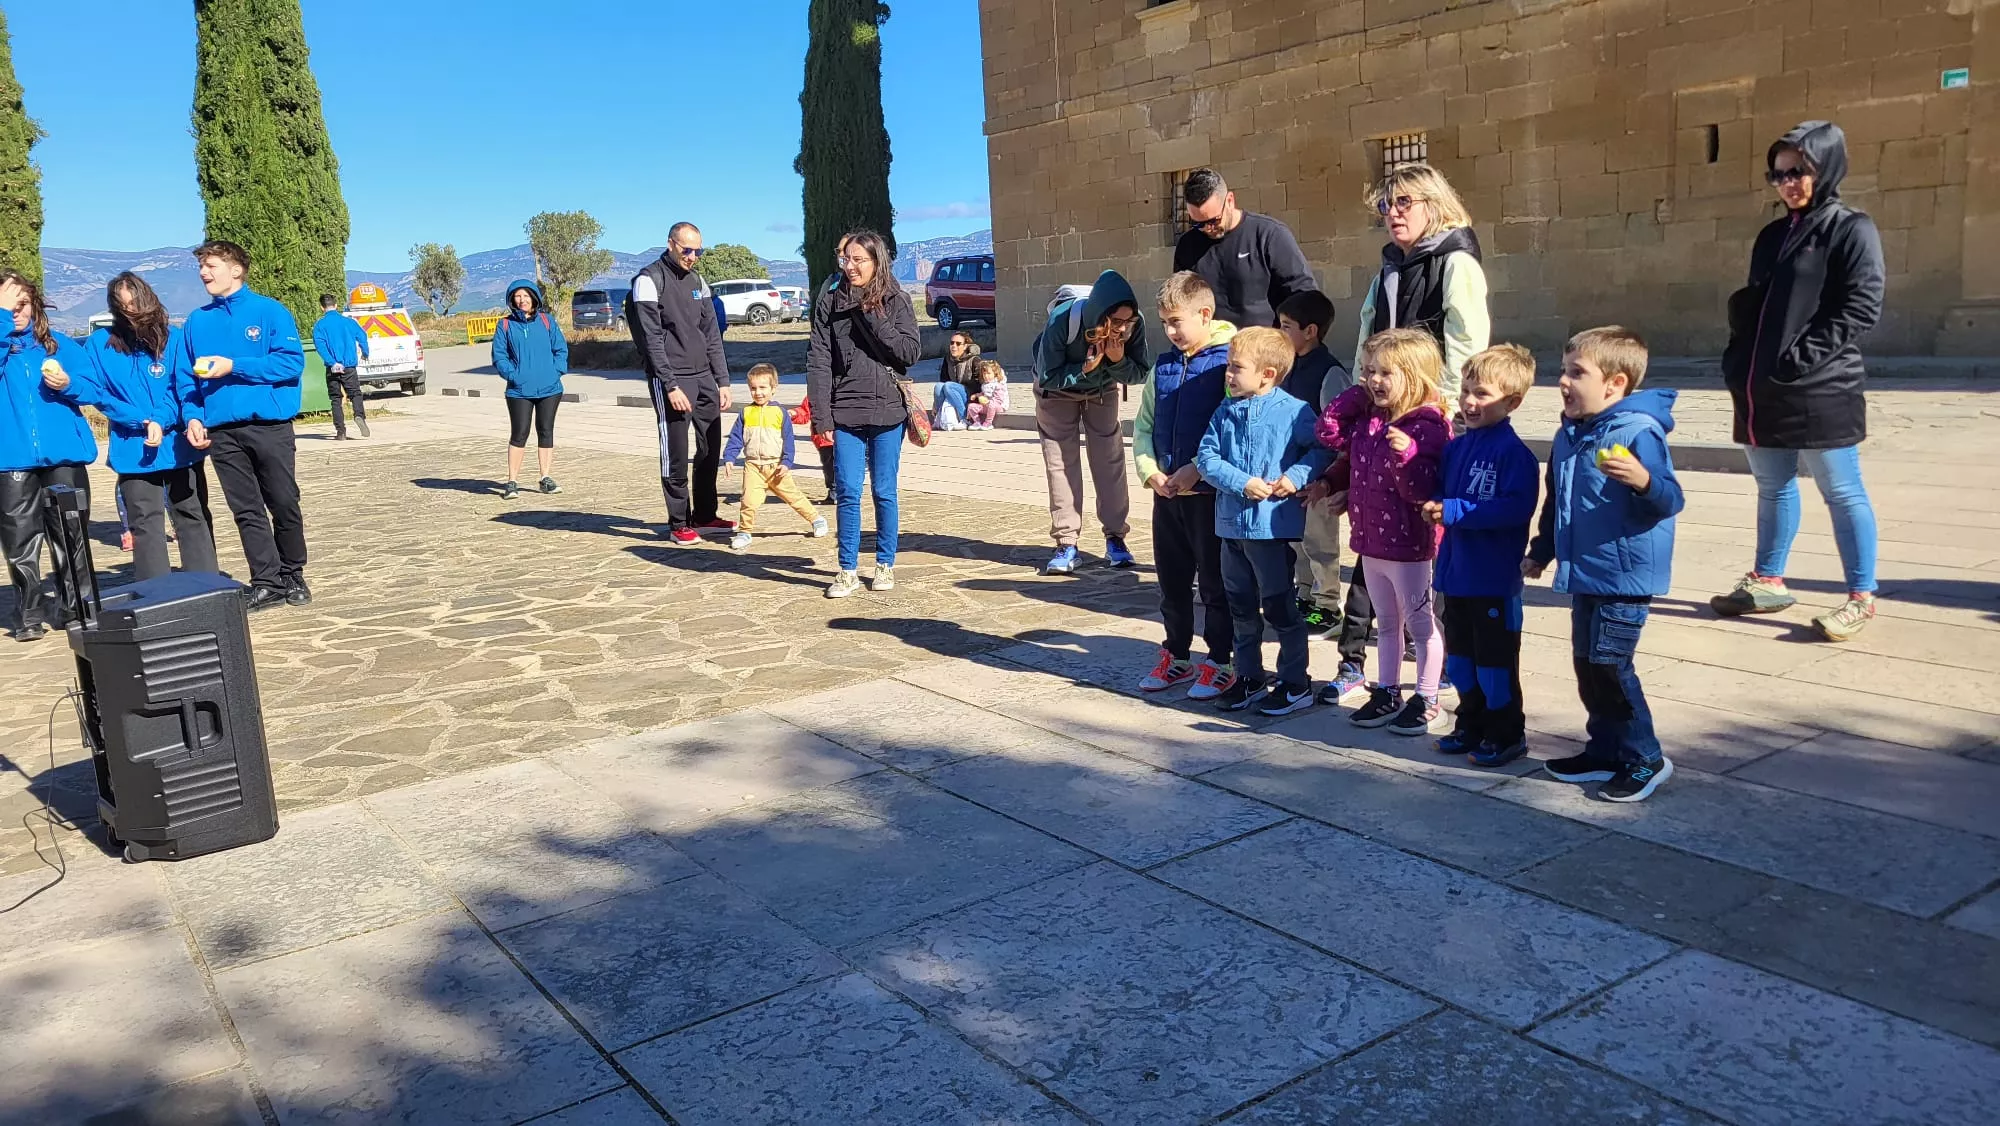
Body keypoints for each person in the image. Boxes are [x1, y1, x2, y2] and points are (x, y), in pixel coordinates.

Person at [1716, 120, 1885, 642]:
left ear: (1825, 167)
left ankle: (1861, 596)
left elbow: (1861, 307)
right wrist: (1739, 359)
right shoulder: (1772, 235)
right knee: (1773, 485)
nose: (1787, 183)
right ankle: (1768, 580)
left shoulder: (1851, 229)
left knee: (1842, 490)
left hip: (1821, 385)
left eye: (1798, 171)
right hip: (1760, 385)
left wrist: (1799, 359)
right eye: (1778, 174)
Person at [1524, 327, 1683, 804]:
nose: (1563, 381)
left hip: (1623, 578)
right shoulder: (1569, 436)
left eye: (1577, 373)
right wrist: (1542, 550)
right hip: (1586, 573)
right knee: (1588, 665)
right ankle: (1605, 749)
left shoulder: (1639, 432)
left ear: (1615, 384)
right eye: (1563, 370)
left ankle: (1645, 757)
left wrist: (1643, 480)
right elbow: (1556, 503)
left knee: (1611, 667)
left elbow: (1670, 499)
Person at [1312, 328, 1452, 736]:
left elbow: (1420, 490)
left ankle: (1427, 697)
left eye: (1385, 372)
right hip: (1371, 542)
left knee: (1420, 625)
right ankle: (1387, 691)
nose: (1374, 380)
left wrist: (1407, 456)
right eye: (1368, 371)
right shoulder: (1370, 419)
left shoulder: (1428, 426)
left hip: (1410, 546)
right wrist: (1354, 398)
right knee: (1387, 624)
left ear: (1415, 375)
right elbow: (1328, 433)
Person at [1194, 327, 1327, 716]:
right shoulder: (1225, 410)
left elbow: (1322, 449)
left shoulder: (1295, 412)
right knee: (1240, 607)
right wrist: (1241, 482)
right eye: (1229, 366)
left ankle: (1294, 682)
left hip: (1271, 529)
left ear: (1267, 374)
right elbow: (1207, 458)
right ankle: (1249, 676)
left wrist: (1296, 476)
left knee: (1280, 606)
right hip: (1230, 527)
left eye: (1237, 367)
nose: (1228, 374)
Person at [1423, 344, 1540, 767]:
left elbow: (1514, 509)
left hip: (1492, 582)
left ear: (1512, 402)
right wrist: (1435, 504)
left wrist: (1454, 510)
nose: (1469, 402)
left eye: (1482, 394)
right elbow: (1442, 491)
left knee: (1495, 667)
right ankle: (1469, 724)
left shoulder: (1515, 455)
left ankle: (1506, 734)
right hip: (1455, 576)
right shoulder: (1456, 448)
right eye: (1466, 391)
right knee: (1461, 663)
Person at [178, 240, 309, 613]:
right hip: (222, 432)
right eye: (201, 267)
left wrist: (234, 366)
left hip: (269, 426)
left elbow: (290, 364)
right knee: (246, 510)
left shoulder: (269, 312)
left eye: (211, 266)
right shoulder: (197, 321)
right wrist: (193, 416)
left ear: (236, 269)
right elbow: (186, 379)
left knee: (283, 502)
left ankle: (293, 574)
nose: (204, 273)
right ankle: (267, 582)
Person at [1134, 272, 1238, 700]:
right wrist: (1150, 471)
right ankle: (1176, 654)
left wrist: (1198, 469)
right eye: (1164, 323)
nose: (1171, 332)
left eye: (1177, 321)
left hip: (1209, 497)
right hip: (1168, 497)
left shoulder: (1229, 362)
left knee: (1214, 584)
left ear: (1205, 314)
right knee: (1172, 583)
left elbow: (1233, 426)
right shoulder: (1162, 367)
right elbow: (1144, 426)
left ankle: (1221, 660)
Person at [78, 272, 219, 583]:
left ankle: (207, 585)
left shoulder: (175, 339)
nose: (131, 312)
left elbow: (182, 387)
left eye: (136, 304)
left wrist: (161, 419)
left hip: (179, 445)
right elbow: (99, 393)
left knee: (191, 514)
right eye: (123, 306)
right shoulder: (100, 345)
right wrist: (137, 420)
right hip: (133, 448)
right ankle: (156, 591)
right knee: (144, 521)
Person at [807, 229, 920, 598]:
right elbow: (819, 360)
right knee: (848, 492)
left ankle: (885, 563)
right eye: (846, 259)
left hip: (888, 410)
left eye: (859, 260)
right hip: (845, 411)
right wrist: (821, 416)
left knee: (884, 491)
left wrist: (874, 315)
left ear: (876, 262)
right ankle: (847, 570)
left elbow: (909, 353)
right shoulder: (830, 300)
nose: (851, 266)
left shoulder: (897, 298)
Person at [0, 270, 97, 641]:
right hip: (11, 459)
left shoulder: (58, 345)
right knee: (20, 541)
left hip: (64, 456)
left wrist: (69, 384)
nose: (16, 312)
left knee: (71, 535)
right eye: (7, 305)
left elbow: (93, 387)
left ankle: (78, 608)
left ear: (35, 305)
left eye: (22, 304)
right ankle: (28, 615)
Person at [1031, 270, 1148, 575]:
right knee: (1061, 463)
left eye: (1127, 322)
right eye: (1115, 322)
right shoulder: (1062, 321)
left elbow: (1139, 373)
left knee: (1110, 461)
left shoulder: (1135, 325)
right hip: (1056, 392)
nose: (1122, 328)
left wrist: (1118, 360)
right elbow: (1048, 376)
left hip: (1102, 391)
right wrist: (1084, 368)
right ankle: (1066, 542)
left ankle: (1116, 537)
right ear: (1098, 315)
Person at [631, 221, 733, 545]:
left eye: (698, 251)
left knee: (709, 447)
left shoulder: (698, 281)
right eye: (687, 250)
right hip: (672, 379)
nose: (693, 257)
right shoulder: (649, 280)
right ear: (671, 244)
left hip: (704, 376)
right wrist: (670, 384)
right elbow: (650, 340)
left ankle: (705, 514)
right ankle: (678, 523)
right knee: (675, 451)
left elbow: (711, 334)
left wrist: (723, 380)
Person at [1355, 163, 1490, 401]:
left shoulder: (1456, 264)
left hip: (1432, 406)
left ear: (1434, 204)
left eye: (1403, 202)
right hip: (1389, 402)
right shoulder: (1387, 273)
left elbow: (1466, 344)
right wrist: (1360, 395)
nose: (1392, 213)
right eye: (1386, 205)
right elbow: (1366, 342)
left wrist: (1449, 405)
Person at [1275, 290, 1354, 641]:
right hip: (1291, 474)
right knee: (1298, 542)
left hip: (1319, 476)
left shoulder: (1329, 371)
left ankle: (1327, 604)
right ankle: (1305, 595)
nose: (1280, 333)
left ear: (1310, 331)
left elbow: (1339, 428)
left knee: (1320, 543)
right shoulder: (1287, 366)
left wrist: (1328, 476)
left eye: (1286, 326)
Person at [1172, 167, 1317, 331]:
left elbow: (1303, 294)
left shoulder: (1269, 235)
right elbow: (1181, 302)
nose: (1207, 228)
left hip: (1265, 342)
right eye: (1197, 224)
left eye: (1214, 220)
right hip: (1211, 344)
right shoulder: (1187, 245)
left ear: (1230, 201)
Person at [724, 363, 827, 552]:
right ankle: (745, 532)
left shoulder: (780, 413)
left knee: (793, 497)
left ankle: (816, 519)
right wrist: (730, 457)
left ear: (773, 389)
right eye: (753, 388)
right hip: (753, 466)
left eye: (763, 388)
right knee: (748, 500)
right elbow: (736, 437)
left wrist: (787, 462)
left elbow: (789, 440)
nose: (758, 392)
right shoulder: (746, 412)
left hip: (776, 466)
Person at [491, 279, 568, 500]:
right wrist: (513, 375)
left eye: (526, 295)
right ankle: (512, 482)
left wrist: (556, 371)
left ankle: (546, 478)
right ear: (512, 300)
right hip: (518, 391)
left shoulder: (546, 320)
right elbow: (499, 356)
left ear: (534, 298)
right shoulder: (505, 325)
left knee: (546, 431)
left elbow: (560, 349)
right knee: (519, 433)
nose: (522, 300)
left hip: (550, 388)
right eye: (517, 296)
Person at [310, 294, 370, 440]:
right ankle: (359, 415)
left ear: (322, 307)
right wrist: (365, 352)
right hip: (349, 367)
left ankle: (341, 432)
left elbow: (320, 346)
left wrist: (332, 362)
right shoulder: (349, 322)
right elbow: (362, 336)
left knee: (336, 399)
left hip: (332, 368)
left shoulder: (320, 326)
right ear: (336, 305)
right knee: (355, 394)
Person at [790, 397, 838, 505]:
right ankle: (834, 493)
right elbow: (805, 412)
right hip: (824, 440)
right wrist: (794, 413)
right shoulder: (815, 394)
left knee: (841, 466)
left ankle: (839, 493)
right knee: (829, 467)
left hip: (845, 437)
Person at [934, 331, 981, 431]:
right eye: (952, 343)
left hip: (969, 394)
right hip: (952, 391)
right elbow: (943, 379)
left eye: (958, 344)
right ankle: (939, 417)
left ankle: (965, 419)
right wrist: (935, 403)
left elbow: (979, 383)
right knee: (938, 386)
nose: (954, 346)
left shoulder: (974, 360)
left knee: (948, 386)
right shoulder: (948, 359)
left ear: (965, 346)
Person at [965, 359, 1009, 430]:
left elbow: (999, 399)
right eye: (984, 374)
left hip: (999, 406)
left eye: (988, 373)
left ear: (995, 374)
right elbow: (984, 393)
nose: (986, 376)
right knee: (971, 406)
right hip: (986, 406)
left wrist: (988, 402)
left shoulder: (998, 385)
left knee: (991, 405)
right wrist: (977, 395)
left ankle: (988, 423)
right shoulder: (985, 384)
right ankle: (977, 422)